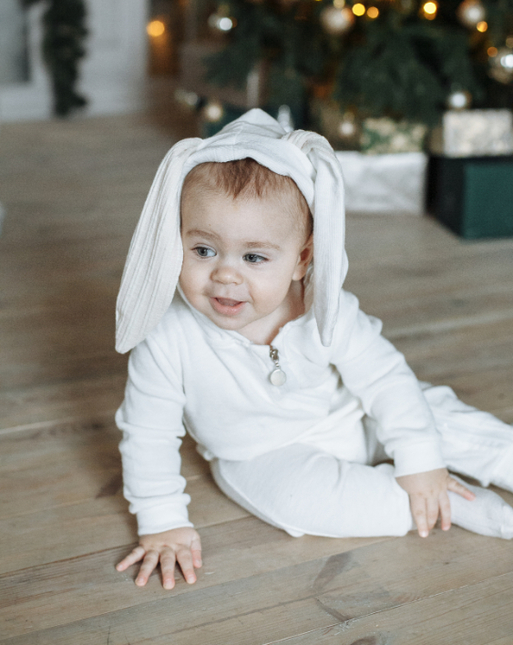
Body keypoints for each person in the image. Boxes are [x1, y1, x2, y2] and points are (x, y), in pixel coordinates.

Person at [114, 109, 513, 591]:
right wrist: (161, 520)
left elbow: (384, 378)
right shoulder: (166, 335)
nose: (226, 274)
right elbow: (148, 432)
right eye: (203, 250)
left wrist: (421, 456)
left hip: (350, 411)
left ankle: (488, 461)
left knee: (433, 415)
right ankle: (451, 505)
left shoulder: (325, 305)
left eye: (254, 256)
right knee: (298, 502)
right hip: (262, 454)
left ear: (302, 259)